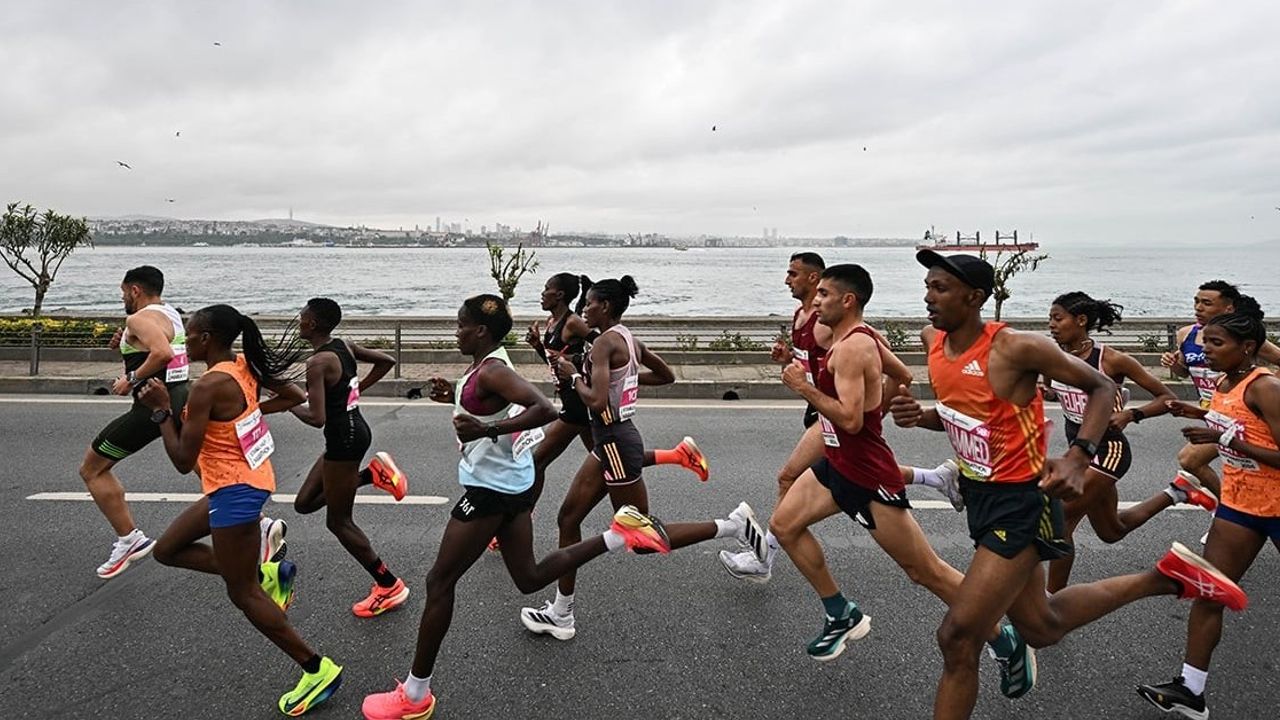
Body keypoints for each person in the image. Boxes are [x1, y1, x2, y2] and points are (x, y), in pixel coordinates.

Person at [889, 251, 1248, 720]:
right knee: (1042, 626)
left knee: (956, 637)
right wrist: (922, 417)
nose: (928, 297)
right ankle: (1166, 578)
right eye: (927, 286)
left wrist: (1079, 456)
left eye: (940, 288)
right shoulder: (932, 341)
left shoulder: (1015, 347)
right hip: (981, 497)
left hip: (1021, 500)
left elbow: (1102, 387)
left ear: (974, 298)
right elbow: (965, 415)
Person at [361, 294, 729, 719]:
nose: (455, 332)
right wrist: (454, 397)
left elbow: (543, 408)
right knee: (529, 577)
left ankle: (415, 695)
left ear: (480, 331)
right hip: (513, 486)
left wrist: (486, 429)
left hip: (490, 491)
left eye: (460, 326)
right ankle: (616, 535)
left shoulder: (495, 369)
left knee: (439, 582)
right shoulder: (488, 365)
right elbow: (494, 402)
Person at [761, 264, 1035, 698]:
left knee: (925, 571)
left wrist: (806, 390)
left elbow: (850, 420)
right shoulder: (858, 338)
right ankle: (840, 613)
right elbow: (902, 376)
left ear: (847, 300)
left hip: (868, 476)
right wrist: (876, 406)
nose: (817, 302)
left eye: (825, 295)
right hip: (837, 464)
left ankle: (1005, 640)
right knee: (784, 525)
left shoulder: (854, 347)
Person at [519, 277, 766, 640]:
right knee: (568, 518)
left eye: (589, 303)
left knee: (643, 537)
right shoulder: (628, 339)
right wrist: (625, 377)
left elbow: (596, 401)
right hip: (610, 443)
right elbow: (666, 376)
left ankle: (734, 526)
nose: (584, 309)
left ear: (605, 306)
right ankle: (561, 613)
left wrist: (573, 378)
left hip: (616, 443)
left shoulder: (604, 343)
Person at [137, 304, 343, 716]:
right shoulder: (244, 363)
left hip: (236, 491)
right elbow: (294, 395)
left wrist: (160, 411)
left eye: (189, 335)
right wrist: (248, 412)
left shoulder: (208, 387)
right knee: (166, 550)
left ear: (206, 339)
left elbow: (182, 460)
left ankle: (317, 669)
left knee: (243, 594)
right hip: (239, 481)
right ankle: (264, 572)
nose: (183, 341)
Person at [718, 254, 960, 582]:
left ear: (814, 278)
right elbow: (813, 364)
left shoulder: (835, 329)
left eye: (794, 274)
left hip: (833, 412)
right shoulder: (802, 317)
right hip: (820, 408)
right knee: (843, 469)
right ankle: (936, 478)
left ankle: (764, 557)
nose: (787, 280)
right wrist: (788, 359)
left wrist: (873, 412)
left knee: (788, 477)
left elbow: (885, 360)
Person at [1138, 297, 1280, 719]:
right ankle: (1190, 690)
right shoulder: (1223, 384)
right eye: (1206, 342)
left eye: (1216, 344)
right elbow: (1235, 422)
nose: (1206, 351)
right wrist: (1194, 412)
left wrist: (1225, 441)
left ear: (1247, 347)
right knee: (1209, 591)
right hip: (1239, 506)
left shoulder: (1266, 387)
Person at [1042, 291, 1216, 592]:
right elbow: (1056, 391)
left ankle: (1052, 599)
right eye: (1050, 319)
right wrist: (1050, 394)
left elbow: (1167, 398)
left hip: (1108, 450)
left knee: (1062, 515)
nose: (1051, 325)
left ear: (1080, 320)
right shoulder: (1051, 356)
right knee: (1112, 531)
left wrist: (1131, 414)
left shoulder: (1110, 360)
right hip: (1077, 449)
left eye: (1058, 318)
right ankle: (1178, 491)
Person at [288, 298, 412, 618]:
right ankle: (372, 474)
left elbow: (316, 418)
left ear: (313, 323)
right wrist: (354, 391)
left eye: (302, 317)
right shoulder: (344, 344)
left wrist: (286, 402)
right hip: (350, 434)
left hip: (345, 440)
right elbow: (386, 360)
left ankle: (389, 585)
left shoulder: (318, 363)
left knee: (339, 522)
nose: (299, 321)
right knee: (304, 503)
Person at [78, 266, 193, 577]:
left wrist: (130, 378)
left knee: (92, 469)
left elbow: (162, 352)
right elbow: (160, 347)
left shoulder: (138, 318)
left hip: (150, 408)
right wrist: (124, 342)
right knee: (204, 466)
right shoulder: (170, 313)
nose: (122, 300)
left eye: (123, 293)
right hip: (180, 397)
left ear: (135, 290)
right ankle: (259, 523)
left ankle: (130, 540)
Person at [1161, 281, 1280, 499]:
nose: (1199, 308)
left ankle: (1230, 504)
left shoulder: (1242, 339)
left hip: (1243, 417)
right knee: (1228, 464)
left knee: (1190, 459)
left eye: (1207, 303)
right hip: (1216, 413)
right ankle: (1233, 504)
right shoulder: (1186, 334)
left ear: (1228, 308)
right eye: (1196, 301)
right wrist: (1174, 365)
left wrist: (1266, 389)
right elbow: (1184, 373)